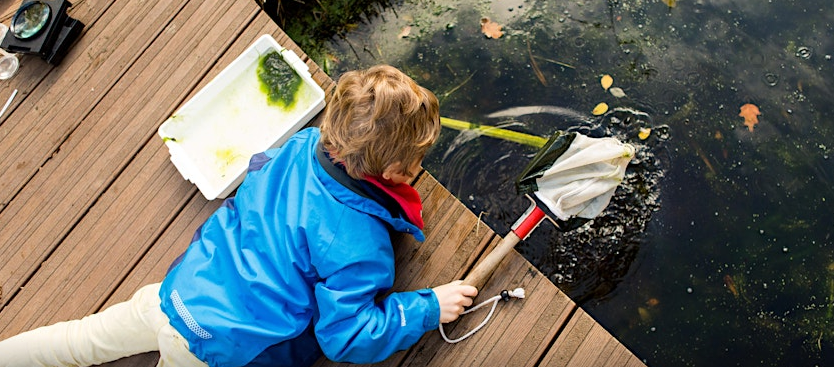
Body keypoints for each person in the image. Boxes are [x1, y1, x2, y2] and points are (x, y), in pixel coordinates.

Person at [0, 65, 478, 367]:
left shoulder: (301, 146)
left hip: (177, 296)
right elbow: (348, 337)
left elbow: (258, 170)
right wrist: (428, 307)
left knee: (76, 342)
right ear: (395, 170)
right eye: (417, 161)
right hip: (220, 351)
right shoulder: (360, 246)